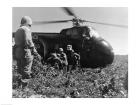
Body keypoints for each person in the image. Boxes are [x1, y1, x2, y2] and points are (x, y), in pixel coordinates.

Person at [14, 16, 41, 80]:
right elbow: (29, 41)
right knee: (26, 69)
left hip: (18, 51)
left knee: (20, 69)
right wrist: (35, 53)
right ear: (28, 23)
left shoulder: (18, 30)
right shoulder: (26, 29)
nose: (30, 27)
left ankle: (19, 85)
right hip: (25, 51)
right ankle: (24, 87)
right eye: (30, 25)